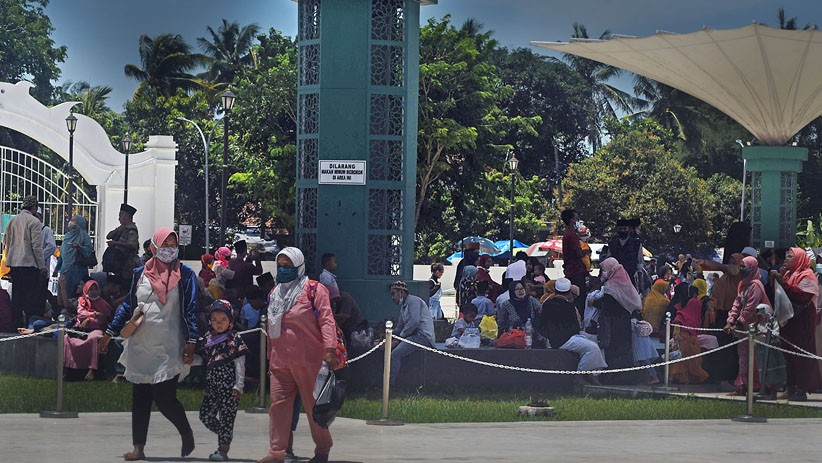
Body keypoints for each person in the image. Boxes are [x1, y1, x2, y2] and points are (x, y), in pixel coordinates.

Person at [99, 228, 199, 461]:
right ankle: (138, 447)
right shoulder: (139, 273)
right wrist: (109, 331)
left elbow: (192, 309)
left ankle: (186, 432)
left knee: (165, 397)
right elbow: (128, 305)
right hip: (141, 344)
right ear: (154, 247)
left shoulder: (185, 275)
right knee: (141, 396)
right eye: (165, 244)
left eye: (173, 245)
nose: (169, 249)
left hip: (169, 344)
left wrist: (192, 341)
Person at [257, 247, 338, 463]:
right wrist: (270, 357)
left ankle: (322, 448)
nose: (283, 270)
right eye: (280, 266)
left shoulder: (314, 290)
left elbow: (327, 320)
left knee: (314, 408)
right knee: (278, 407)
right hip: (280, 362)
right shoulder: (275, 293)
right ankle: (276, 453)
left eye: (288, 266)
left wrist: (330, 349)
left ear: (299, 266)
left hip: (309, 361)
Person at [198, 299, 249, 462]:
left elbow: (240, 364)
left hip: (229, 387)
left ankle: (223, 449)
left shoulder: (234, 339)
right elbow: (204, 359)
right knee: (205, 415)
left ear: (230, 320)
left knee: (227, 416)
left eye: (223, 320)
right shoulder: (208, 338)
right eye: (214, 320)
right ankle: (225, 434)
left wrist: (238, 386)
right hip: (212, 385)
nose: (218, 324)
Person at [771, 247, 821, 401]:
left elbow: (802, 296)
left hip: (802, 323)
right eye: (786, 256)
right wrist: (779, 278)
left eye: (790, 257)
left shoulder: (808, 275)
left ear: (799, 259)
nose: (786, 259)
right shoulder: (787, 274)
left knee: (801, 357)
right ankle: (790, 386)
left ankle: (801, 388)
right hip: (789, 321)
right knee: (788, 356)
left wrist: (782, 282)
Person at [537, 278, 606, 384]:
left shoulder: (547, 304)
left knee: (591, 341)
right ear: (569, 292)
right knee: (592, 348)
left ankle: (590, 374)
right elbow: (576, 327)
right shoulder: (568, 306)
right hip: (565, 340)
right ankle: (580, 375)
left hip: (555, 339)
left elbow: (540, 324)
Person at [724, 256, 769, 395]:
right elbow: (737, 304)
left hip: (756, 327)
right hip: (744, 328)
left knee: (755, 357)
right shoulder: (743, 284)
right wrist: (730, 320)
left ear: (752, 268)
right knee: (743, 356)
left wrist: (738, 323)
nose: (741, 269)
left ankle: (756, 385)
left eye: (744, 267)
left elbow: (750, 307)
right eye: (741, 266)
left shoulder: (756, 285)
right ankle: (743, 385)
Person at [594, 257, 641, 384]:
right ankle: (626, 377)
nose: (602, 272)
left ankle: (613, 378)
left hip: (613, 324)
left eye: (604, 269)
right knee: (625, 349)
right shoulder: (625, 282)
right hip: (624, 323)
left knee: (614, 350)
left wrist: (595, 302)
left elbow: (608, 305)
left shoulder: (611, 286)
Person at [2, 195, 47, 327]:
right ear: (34, 207)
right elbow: (36, 247)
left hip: (14, 265)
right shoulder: (34, 222)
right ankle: (30, 325)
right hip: (29, 265)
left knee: (17, 296)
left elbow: (5, 241)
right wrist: (42, 267)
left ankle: (16, 324)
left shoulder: (13, 221)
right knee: (30, 297)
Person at [387, 280, 435, 387]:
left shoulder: (413, 301)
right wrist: (387, 335)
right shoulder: (404, 306)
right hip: (413, 336)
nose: (392, 297)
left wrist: (400, 338)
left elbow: (414, 321)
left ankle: (389, 386)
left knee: (395, 354)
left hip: (423, 336)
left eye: (393, 294)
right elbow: (400, 327)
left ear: (401, 292)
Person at [63, 279, 112, 381]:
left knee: (95, 338)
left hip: (97, 329)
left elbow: (102, 319)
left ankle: (91, 370)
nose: (94, 292)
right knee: (67, 338)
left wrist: (89, 320)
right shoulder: (82, 300)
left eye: (96, 289)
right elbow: (81, 314)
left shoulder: (103, 304)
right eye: (91, 289)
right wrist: (94, 314)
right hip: (81, 329)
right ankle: (68, 369)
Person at [669, 285, 710, 384]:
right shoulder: (681, 315)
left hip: (691, 340)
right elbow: (676, 332)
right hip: (682, 341)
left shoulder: (692, 317)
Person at [55, 214, 94, 304]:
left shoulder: (84, 237)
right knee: (63, 293)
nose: (70, 222)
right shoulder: (67, 236)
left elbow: (88, 252)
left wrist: (80, 247)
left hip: (78, 271)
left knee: (76, 294)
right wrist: (57, 268)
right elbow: (62, 253)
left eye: (73, 220)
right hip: (65, 270)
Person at [560, 209, 590, 318]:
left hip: (572, 269)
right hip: (576, 271)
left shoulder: (568, 233)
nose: (578, 219)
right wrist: (587, 251)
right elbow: (578, 253)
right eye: (576, 217)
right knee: (579, 297)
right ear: (572, 219)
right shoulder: (571, 235)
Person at [104, 203, 140, 282]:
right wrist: (119, 229)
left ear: (126, 216)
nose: (119, 218)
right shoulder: (122, 228)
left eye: (120, 216)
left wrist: (115, 244)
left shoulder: (132, 230)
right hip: (119, 263)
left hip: (127, 264)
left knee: (124, 284)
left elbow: (132, 245)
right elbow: (108, 236)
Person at [605, 219, 643, 288]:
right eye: (620, 229)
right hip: (615, 279)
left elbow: (639, 263)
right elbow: (608, 262)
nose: (622, 231)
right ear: (617, 229)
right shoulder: (612, 244)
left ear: (629, 229)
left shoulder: (636, 244)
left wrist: (640, 281)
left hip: (630, 277)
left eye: (625, 229)